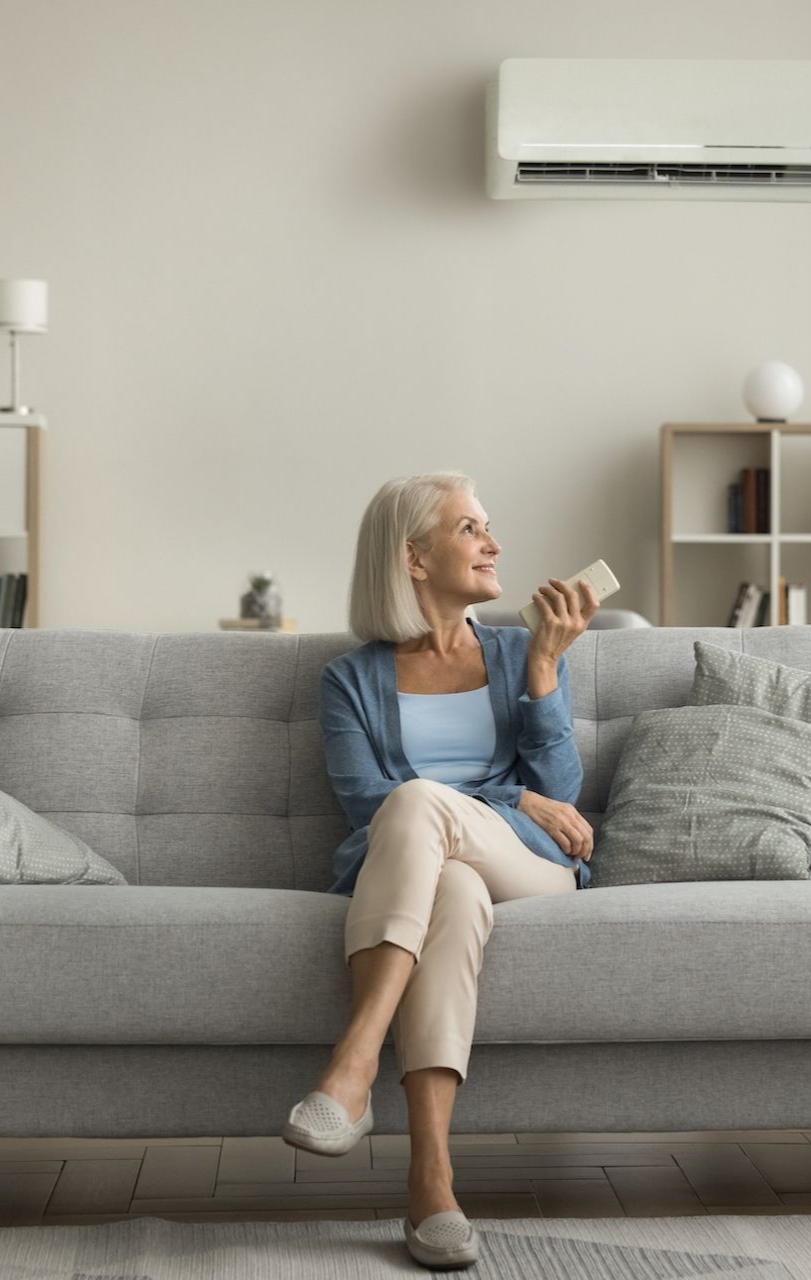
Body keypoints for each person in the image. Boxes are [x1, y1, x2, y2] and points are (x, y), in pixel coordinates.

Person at [283, 471, 599, 1269]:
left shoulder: (517, 649)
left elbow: (561, 805)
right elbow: (368, 806)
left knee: (425, 804)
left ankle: (352, 1067)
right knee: (450, 886)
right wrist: (509, 795)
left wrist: (544, 673)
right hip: (429, 866)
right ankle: (432, 1186)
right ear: (415, 558)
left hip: (529, 867)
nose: (493, 544)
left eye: (487, 526)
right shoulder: (348, 680)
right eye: (469, 529)